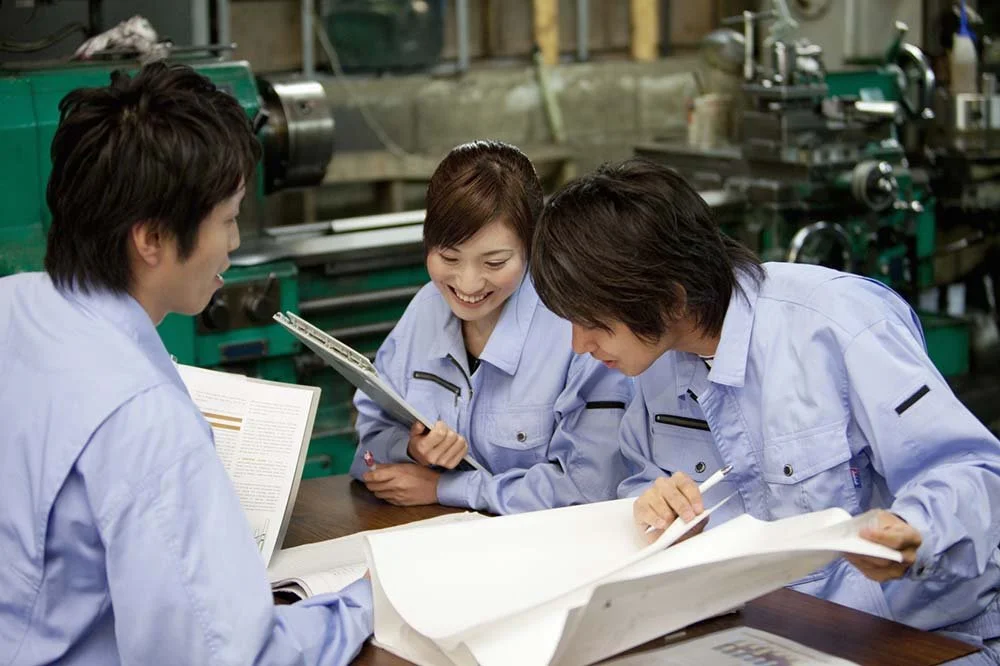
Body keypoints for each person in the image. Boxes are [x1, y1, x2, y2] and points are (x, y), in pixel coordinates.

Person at [530, 158, 1000, 662]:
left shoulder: (837, 326)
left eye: (594, 322)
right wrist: (652, 505)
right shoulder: (653, 361)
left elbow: (971, 468)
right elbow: (643, 481)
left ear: (669, 299)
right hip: (766, 633)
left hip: (919, 639)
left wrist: (917, 528)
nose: (579, 345)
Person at [0, 63, 371, 665]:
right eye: (226, 220)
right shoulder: (144, 421)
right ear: (150, 240)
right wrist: (368, 602)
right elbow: (228, 657)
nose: (233, 244)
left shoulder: (11, 304)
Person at [349, 141, 632, 514]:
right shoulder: (425, 310)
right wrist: (409, 447)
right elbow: (367, 443)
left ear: (532, 247)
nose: (467, 284)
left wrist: (448, 487)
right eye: (449, 257)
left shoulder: (576, 328)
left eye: (495, 262)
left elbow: (590, 487)